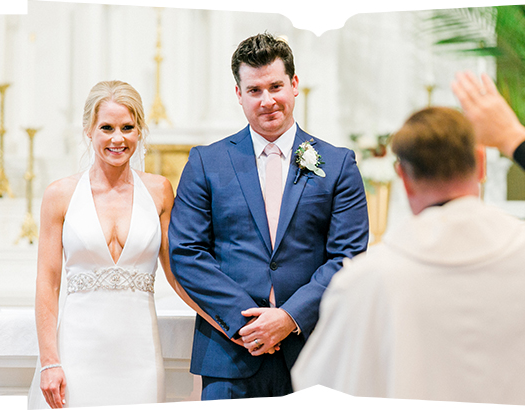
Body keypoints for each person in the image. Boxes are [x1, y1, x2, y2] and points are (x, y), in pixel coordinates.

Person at [291, 72, 525, 409]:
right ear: (481, 164)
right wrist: (513, 136)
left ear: (404, 178)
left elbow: (321, 387)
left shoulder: (364, 283)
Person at [169, 33, 369, 400]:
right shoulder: (206, 162)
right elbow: (186, 252)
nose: (267, 100)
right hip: (231, 354)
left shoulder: (339, 164)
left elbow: (348, 256)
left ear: (294, 85)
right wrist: (247, 324)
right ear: (239, 94)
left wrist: (289, 317)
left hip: (313, 353)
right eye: (254, 90)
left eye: (275, 86)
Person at [28, 80, 211, 408]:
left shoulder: (159, 190)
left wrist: (226, 321)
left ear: (140, 130)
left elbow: (178, 273)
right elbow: (47, 283)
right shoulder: (60, 194)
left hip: (138, 353)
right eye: (107, 127)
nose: (118, 138)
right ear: (89, 130)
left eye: (127, 127)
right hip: (76, 351)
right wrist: (50, 362)